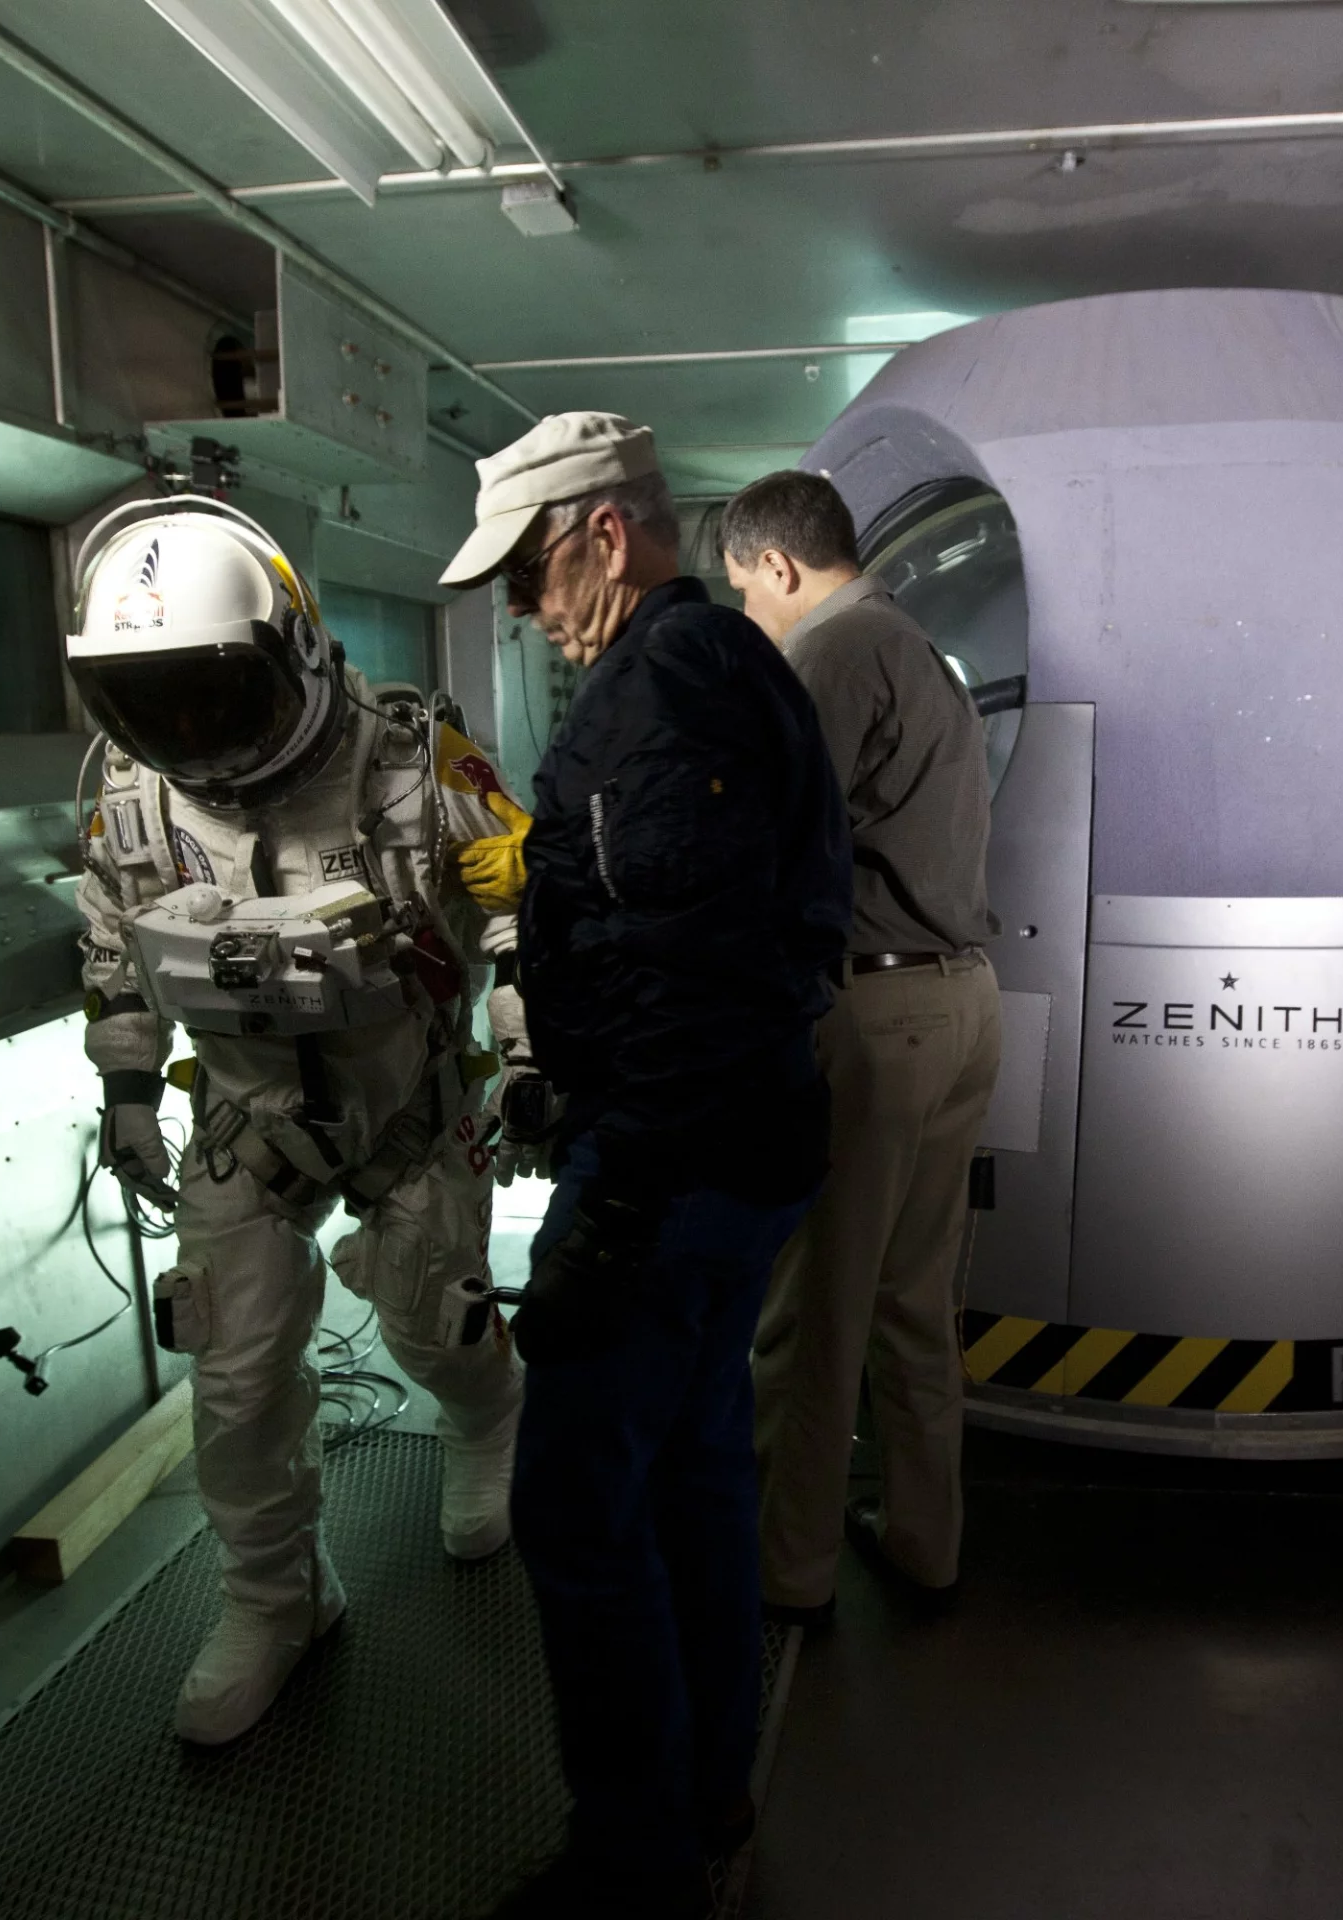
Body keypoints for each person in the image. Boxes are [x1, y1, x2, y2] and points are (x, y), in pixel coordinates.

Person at [438, 414, 849, 1918]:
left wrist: (610, 1205)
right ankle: (712, 1784)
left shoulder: (661, 688)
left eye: (532, 575)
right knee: (690, 1473)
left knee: (574, 1509)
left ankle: (634, 1862)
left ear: (605, 535)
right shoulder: (721, 666)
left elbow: (692, 964)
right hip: (736, 1146)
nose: (526, 610)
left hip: (678, 1170)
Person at [70, 495, 531, 1746]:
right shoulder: (132, 788)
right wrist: (125, 1088)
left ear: (297, 649)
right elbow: (115, 943)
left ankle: (488, 1420)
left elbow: (511, 916)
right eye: (149, 699)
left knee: (433, 1329)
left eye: (211, 690)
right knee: (232, 1374)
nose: (186, 728)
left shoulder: (408, 759)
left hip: (408, 1105)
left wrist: (532, 1053)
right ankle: (278, 1598)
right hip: (245, 1111)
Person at [719, 469, 1000, 1625]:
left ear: (781, 568)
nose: (747, 616)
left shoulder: (830, 654)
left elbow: (776, 846)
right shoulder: (922, 651)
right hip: (964, 1002)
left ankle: (787, 1573)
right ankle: (928, 1542)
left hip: (877, 1015)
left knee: (813, 1311)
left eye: (745, 591)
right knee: (913, 1304)